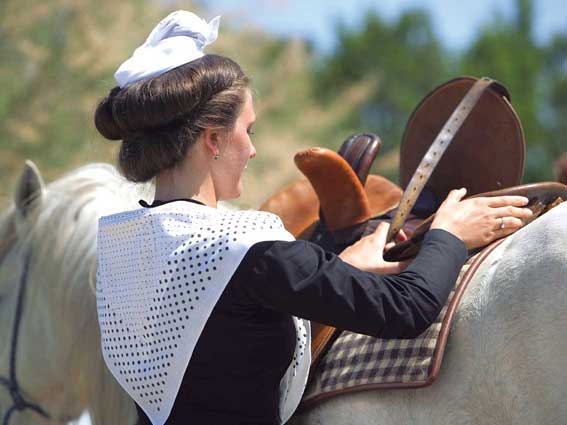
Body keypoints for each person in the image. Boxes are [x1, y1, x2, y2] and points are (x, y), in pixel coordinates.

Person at [93, 10, 533, 425]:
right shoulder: (250, 251)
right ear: (213, 139)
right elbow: (406, 309)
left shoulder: (122, 254)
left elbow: (229, 327)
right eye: (248, 131)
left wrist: (343, 268)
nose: (252, 150)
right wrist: (449, 234)